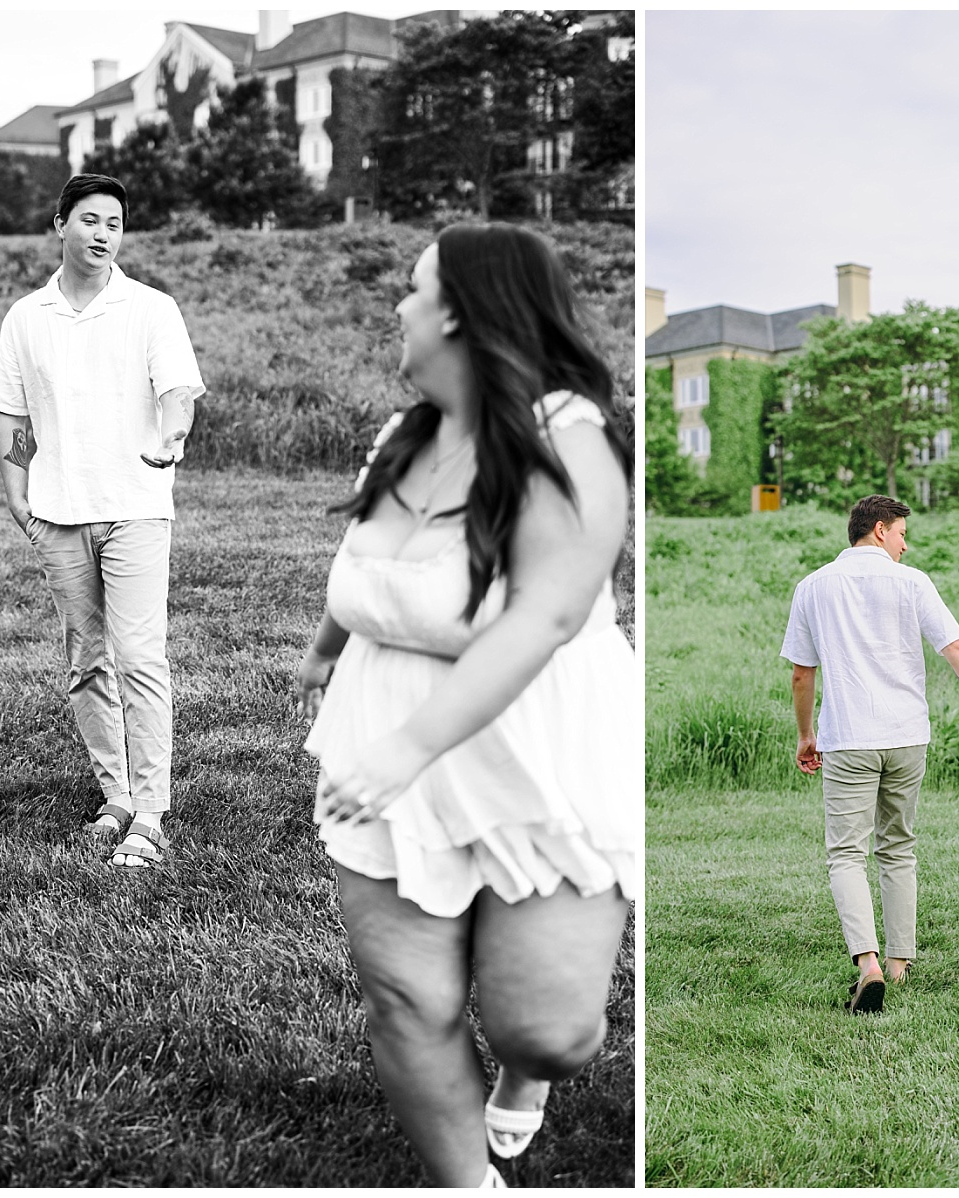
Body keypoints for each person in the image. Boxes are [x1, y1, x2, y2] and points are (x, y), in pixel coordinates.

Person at [294, 224, 636, 1188]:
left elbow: (547, 615)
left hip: (536, 738)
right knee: (408, 998)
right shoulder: (402, 441)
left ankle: (525, 1080)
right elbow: (365, 574)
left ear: (456, 309)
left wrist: (410, 747)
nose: (397, 309)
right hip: (385, 727)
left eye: (411, 289)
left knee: (554, 1028)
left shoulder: (567, 437)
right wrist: (325, 656)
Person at [0, 172, 204, 869]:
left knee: (140, 660)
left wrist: (170, 437)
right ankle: (116, 797)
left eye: (114, 221)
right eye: (90, 219)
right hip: (59, 514)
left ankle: (152, 815)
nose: (103, 232)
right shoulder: (27, 317)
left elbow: (178, 393)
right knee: (87, 662)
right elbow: (11, 411)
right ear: (60, 225)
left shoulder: (151, 309)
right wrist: (18, 491)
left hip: (135, 509)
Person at [780, 495, 959, 1014]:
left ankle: (869, 964)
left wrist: (805, 734)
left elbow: (800, 673)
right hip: (907, 736)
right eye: (902, 532)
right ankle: (901, 964)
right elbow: (956, 651)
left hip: (848, 736)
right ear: (879, 530)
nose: (906, 543)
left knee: (846, 853)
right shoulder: (913, 582)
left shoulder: (812, 587)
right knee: (898, 846)